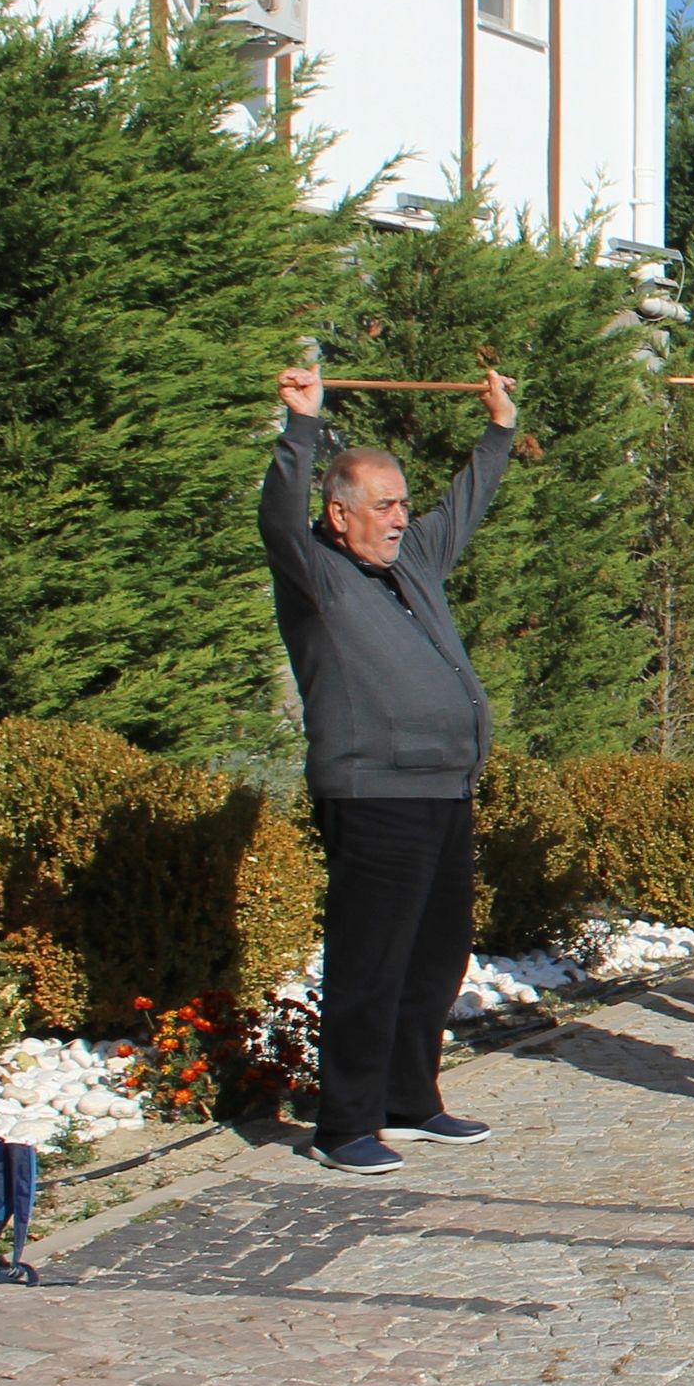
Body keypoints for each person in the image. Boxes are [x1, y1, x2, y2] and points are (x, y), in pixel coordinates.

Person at [261, 362, 522, 1177]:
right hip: (374, 790)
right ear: (339, 516)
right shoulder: (314, 574)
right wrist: (302, 425)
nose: (403, 516)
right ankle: (343, 1124)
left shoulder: (412, 564)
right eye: (385, 504)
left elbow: (466, 505)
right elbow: (276, 514)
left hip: (445, 789)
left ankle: (408, 1100)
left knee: (436, 954)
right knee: (371, 960)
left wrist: (499, 428)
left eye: (404, 501)